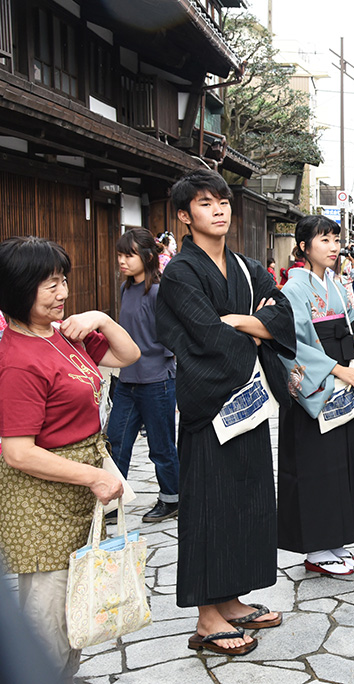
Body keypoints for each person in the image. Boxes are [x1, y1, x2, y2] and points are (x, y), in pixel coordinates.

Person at [156, 169, 296, 656]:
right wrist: (255, 329)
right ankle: (206, 616)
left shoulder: (246, 266)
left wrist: (241, 321)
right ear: (184, 215)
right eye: (205, 203)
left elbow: (283, 314)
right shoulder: (180, 272)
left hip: (248, 404)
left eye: (223, 201)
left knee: (247, 500)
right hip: (209, 405)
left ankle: (231, 599)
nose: (219, 210)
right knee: (209, 507)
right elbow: (204, 335)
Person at [0, 236, 140, 680]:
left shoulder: (63, 335)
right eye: (50, 285)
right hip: (41, 501)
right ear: (18, 289)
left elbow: (129, 355)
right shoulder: (17, 360)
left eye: (63, 281)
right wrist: (92, 476)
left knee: (75, 609)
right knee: (48, 614)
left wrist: (102, 318)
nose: (62, 293)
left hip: (77, 485)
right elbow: (18, 452)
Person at [276, 215, 354, 577]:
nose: (333, 247)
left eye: (336, 239)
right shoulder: (292, 289)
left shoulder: (337, 286)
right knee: (316, 467)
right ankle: (316, 548)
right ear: (303, 247)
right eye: (324, 240)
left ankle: (335, 540)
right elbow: (289, 345)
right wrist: (337, 369)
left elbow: (352, 328)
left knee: (342, 463)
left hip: (343, 383)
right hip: (318, 387)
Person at [107, 228, 180, 523]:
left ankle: (171, 498)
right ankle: (112, 501)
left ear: (148, 257)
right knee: (116, 441)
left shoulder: (159, 292)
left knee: (161, 446)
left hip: (157, 381)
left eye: (129, 255)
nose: (122, 261)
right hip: (127, 380)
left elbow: (171, 338)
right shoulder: (125, 289)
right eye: (120, 255)